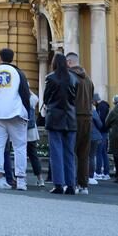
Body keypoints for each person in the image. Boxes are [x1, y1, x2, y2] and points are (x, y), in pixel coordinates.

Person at [0, 47, 32, 191]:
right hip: (16, 113)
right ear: (12, 58)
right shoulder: (18, 73)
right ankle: (20, 181)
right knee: (19, 147)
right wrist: (27, 113)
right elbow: (25, 94)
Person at [43, 52, 78, 195]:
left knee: (56, 152)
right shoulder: (74, 78)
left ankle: (58, 184)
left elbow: (46, 98)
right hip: (70, 118)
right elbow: (74, 98)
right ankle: (71, 185)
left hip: (55, 117)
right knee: (69, 153)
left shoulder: (50, 78)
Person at [65, 52, 94, 195]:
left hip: (73, 117)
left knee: (70, 151)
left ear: (69, 62)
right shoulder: (88, 80)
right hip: (88, 118)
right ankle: (84, 185)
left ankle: (70, 183)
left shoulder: (70, 76)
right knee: (84, 154)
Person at [91, 99, 111, 182]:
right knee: (103, 152)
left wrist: (100, 128)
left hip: (101, 132)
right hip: (105, 131)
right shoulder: (105, 106)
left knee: (99, 152)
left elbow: (99, 121)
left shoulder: (100, 107)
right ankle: (106, 173)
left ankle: (98, 172)